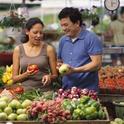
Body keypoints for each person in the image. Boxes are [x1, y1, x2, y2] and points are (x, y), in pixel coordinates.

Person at [57, 7, 103, 92]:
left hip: (87, 92)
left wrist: (74, 70)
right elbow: (59, 61)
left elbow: (97, 64)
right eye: (62, 25)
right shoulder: (63, 40)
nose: (63, 28)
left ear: (77, 23)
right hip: (66, 91)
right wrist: (59, 65)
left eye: (66, 25)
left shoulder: (90, 38)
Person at [12, 17, 58, 91]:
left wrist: (49, 77)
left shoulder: (49, 49)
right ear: (27, 31)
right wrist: (26, 74)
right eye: (35, 32)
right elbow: (14, 79)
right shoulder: (18, 50)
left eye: (41, 32)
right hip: (25, 94)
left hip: (45, 93)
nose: (39, 35)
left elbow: (55, 75)